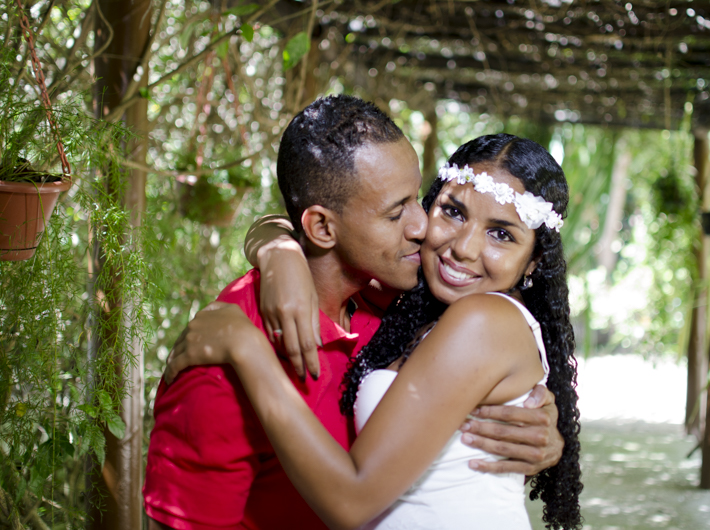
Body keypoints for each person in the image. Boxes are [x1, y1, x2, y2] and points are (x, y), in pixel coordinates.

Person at [143, 96, 564, 529]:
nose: (424, 229)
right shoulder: (222, 364)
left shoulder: (391, 305)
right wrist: (274, 255)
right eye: (399, 210)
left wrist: (551, 436)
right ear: (322, 228)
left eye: (418, 200)